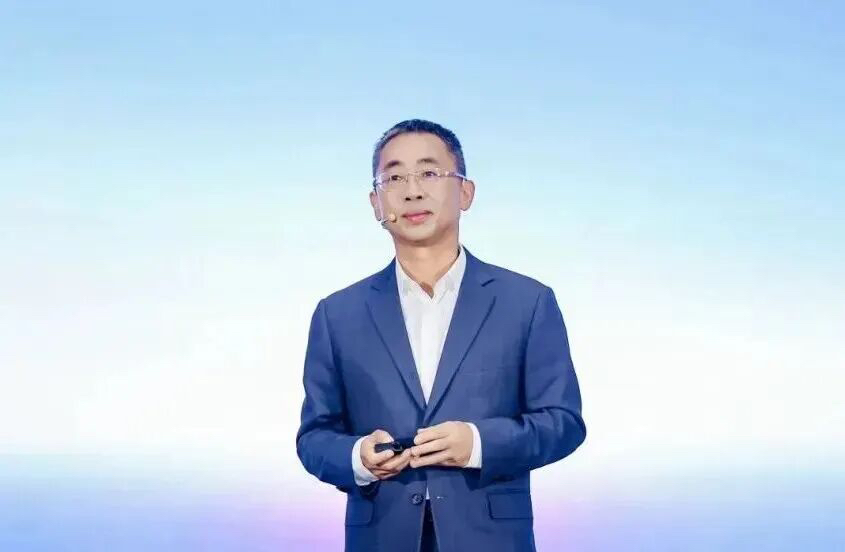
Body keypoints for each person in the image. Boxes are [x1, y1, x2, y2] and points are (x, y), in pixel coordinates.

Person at [296, 119, 586, 552]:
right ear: (376, 203)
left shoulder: (527, 302)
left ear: (465, 193)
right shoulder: (337, 314)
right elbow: (314, 437)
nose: (412, 191)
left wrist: (478, 444)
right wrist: (358, 458)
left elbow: (563, 423)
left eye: (429, 173)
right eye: (394, 178)